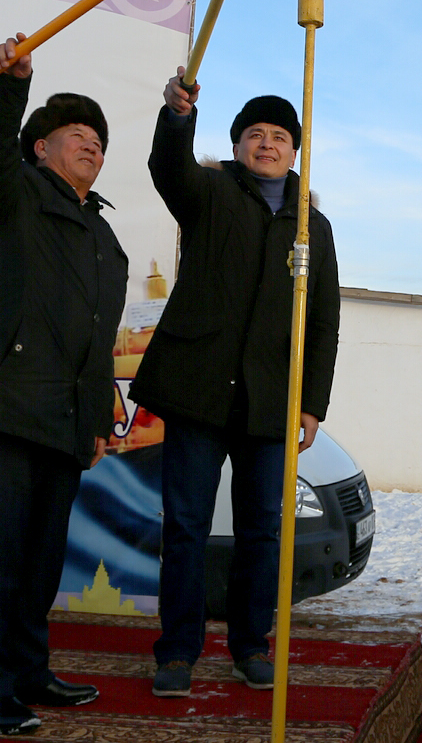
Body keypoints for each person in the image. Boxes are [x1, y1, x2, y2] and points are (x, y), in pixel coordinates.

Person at [131, 76, 340, 697]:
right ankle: (177, 652)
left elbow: (324, 319)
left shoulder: (314, 226)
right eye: (256, 134)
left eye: (279, 136)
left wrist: (311, 404)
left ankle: (251, 644)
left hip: (271, 400)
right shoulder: (209, 191)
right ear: (238, 144)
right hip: (198, 388)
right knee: (187, 525)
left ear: (294, 151)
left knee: (262, 531)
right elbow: (168, 168)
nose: (267, 144)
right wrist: (175, 118)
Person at [0, 35, 127, 735]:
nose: (90, 146)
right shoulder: (14, 192)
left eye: (97, 141)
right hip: (5, 407)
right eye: (74, 136)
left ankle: (26, 668)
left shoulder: (102, 236)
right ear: (41, 149)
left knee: (40, 561)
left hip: (63, 420)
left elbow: (94, 341)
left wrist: (95, 422)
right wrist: (8, 86)